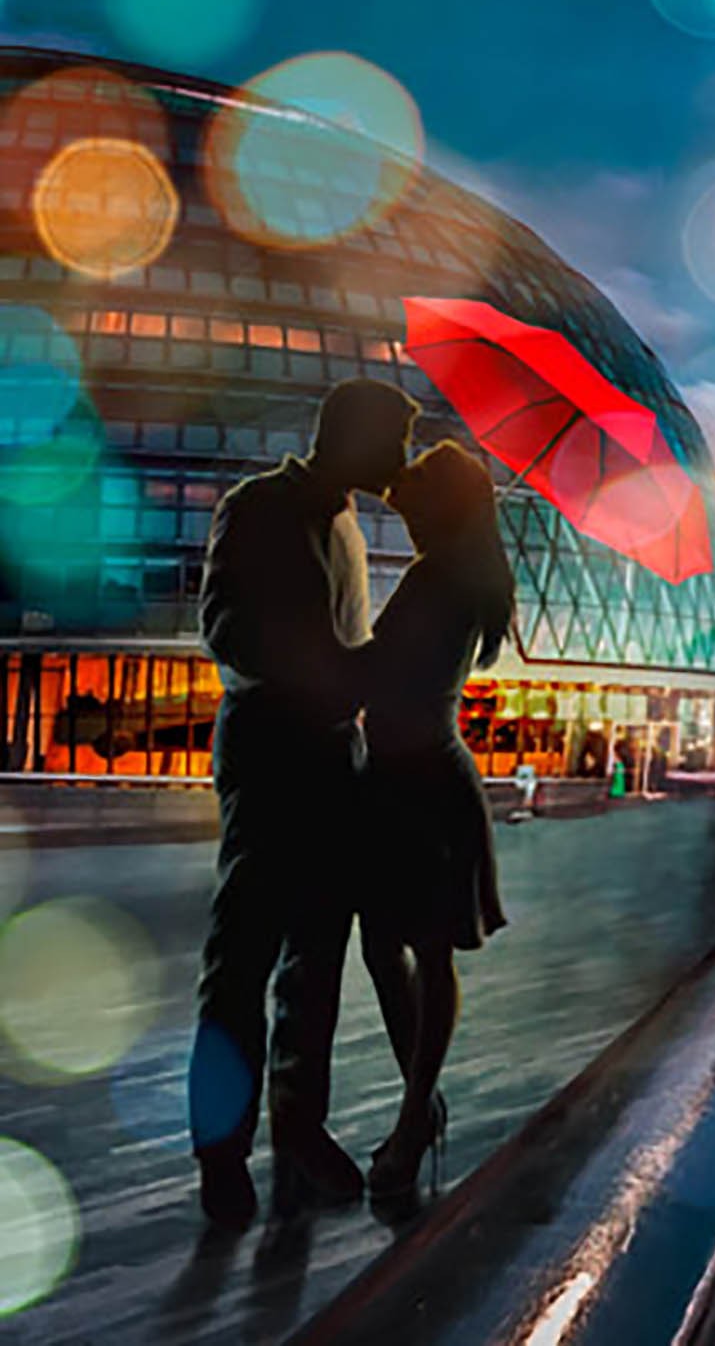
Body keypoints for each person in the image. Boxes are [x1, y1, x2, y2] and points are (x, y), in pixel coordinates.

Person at [189, 378, 418, 1230]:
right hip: (271, 758)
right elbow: (225, 628)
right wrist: (327, 671)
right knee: (241, 962)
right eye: (394, 441)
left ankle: (298, 1130)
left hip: (331, 762)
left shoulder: (352, 527)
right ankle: (220, 1152)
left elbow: (345, 646)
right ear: (353, 438)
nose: (401, 460)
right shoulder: (258, 508)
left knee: (313, 964)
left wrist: (360, 675)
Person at [356, 441, 513, 1197]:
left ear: (440, 509)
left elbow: (376, 675)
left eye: (412, 506)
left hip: (415, 786)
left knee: (406, 947)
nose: (405, 518)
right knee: (400, 948)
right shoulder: (457, 576)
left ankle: (416, 1113)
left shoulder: (436, 579)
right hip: (413, 781)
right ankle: (418, 1104)